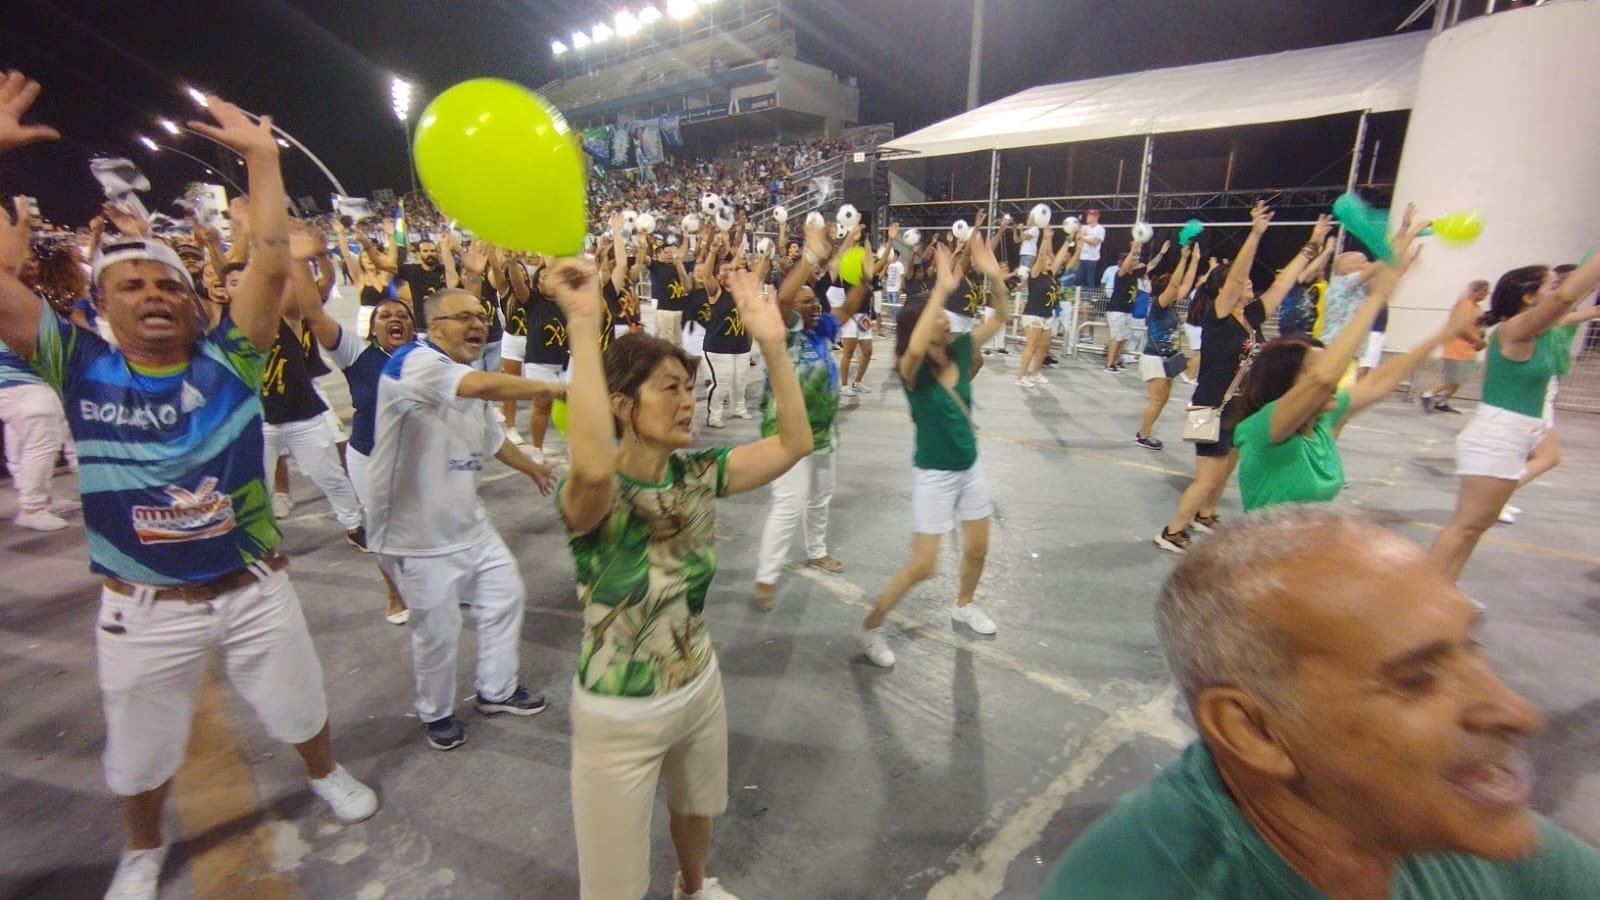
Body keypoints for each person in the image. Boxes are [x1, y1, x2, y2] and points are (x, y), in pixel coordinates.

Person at [0, 76, 377, 900]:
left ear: (195, 302)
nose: (153, 294)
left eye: (168, 283)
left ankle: (323, 775)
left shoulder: (231, 358)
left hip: (254, 587)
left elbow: (273, 263)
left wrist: (266, 166)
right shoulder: (76, 365)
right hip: (142, 607)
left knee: (300, 702)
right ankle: (141, 849)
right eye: (130, 285)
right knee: (137, 749)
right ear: (98, 306)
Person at [1040, 507, 1600, 898]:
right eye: (1417, 680)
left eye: (1471, 646)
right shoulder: (1133, 884)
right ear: (1252, 731)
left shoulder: (1422, 816)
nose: (1519, 712)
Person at [557, 255, 811, 900]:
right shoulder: (596, 494)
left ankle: (693, 887)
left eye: (687, 386)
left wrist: (773, 342)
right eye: (668, 387)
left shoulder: (698, 473)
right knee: (611, 886)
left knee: (698, 807)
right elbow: (589, 464)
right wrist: (585, 329)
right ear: (622, 403)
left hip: (698, 682)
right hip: (619, 710)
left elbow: (793, 444)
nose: (685, 399)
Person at [366, 287, 562, 751]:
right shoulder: (413, 363)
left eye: (481, 316)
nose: (477, 325)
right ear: (434, 327)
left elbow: (493, 436)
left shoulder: (465, 373)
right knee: (437, 633)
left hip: (467, 523)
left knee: (505, 595)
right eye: (463, 317)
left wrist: (532, 466)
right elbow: (482, 388)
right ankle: (436, 714)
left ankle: (496, 691)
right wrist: (552, 385)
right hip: (417, 534)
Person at [1228, 219, 1467, 512]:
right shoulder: (1264, 428)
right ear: (1285, 382)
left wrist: (1443, 334)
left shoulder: (1322, 419)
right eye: (1314, 370)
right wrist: (1379, 295)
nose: (1333, 375)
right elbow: (1323, 381)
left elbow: (1378, 382)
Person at [860, 235, 1011, 668]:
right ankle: (871, 625)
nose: (948, 320)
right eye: (940, 317)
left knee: (978, 548)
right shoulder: (913, 374)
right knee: (923, 566)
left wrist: (995, 278)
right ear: (922, 328)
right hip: (935, 476)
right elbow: (911, 349)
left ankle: (963, 605)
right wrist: (940, 288)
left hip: (970, 467)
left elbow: (1001, 315)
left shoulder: (962, 351)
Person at [1429, 253, 1600, 583]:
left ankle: (1443, 593)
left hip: (1517, 434)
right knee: (1465, 526)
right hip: (1498, 437)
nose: (1561, 289)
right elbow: (1567, 297)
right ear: (1529, 297)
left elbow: (1571, 300)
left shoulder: (1540, 332)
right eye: (1552, 284)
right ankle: (1415, 604)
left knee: (1478, 524)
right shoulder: (1515, 329)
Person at [1155, 204, 1309, 554]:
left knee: (1226, 470)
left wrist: (1310, 249)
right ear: (1226, 289)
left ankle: (1205, 516)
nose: (1250, 284)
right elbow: (1238, 277)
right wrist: (1255, 234)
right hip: (1210, 406)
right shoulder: (1218, 315)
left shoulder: (1252, 315)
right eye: (1243, 282)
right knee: (1207, 477)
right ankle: (1172, 532)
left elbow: (1283, 284)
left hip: (1241, 407)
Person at [753, 219, 872, 610]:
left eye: (814, 300)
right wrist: (810, 259)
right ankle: (766, 577)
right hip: (784, 433)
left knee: (821, 496)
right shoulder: (780, 331)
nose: (812, 305)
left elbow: (850, 307)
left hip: (822, 431)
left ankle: (816, 550)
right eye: (807, 301)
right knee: (789, 503)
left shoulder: (820, 330)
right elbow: (785, 299)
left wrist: (863, 279)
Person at [298, 263, 416, 625]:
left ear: (413, 326)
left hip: (417, 459)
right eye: (385, 316)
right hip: (370, 458)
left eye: (402, 315)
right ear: (373, 327)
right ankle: (395, 592)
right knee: (382, 528)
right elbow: (314, 313)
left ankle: (438, 584)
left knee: (427, 523)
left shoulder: (427, 355)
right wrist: (301, 261)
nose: (394, 319)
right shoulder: (356, 354)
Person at [1133, 242, 1202, 449]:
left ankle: (1145, 432)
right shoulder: (1158, 305)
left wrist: (1195, 261)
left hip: (1168, 358)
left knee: (1163, 400)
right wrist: (1182, 258)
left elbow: (1185, 284)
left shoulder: (1169, 305)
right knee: (1157, 400)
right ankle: (1143, 435)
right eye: (1173, 285)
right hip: (1154, 358)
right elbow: (1175, 286)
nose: (1178, 288)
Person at [1016, 226, 1080, 386]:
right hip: (1033, 314)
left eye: (1051, 262)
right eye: (1047, 261)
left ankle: (1035, 373)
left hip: (1047, 314)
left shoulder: (1051, 275)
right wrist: (1045, 238)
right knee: (1032, 346)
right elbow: (1041, 256)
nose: (1051, 262)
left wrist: (1070, 237)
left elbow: (1059, 257)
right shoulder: (1035, 274)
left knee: (1044, 347)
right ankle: (1021, 377)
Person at [1420, 279, 1491, 414]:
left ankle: (1443, 401)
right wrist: (1477, 340)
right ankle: (1428, 394)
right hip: (1456, 348)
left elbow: (1477, 327)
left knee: (1462, 378)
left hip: (1469, 350)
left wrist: (1481, 337)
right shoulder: (1464, 305)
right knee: (1453, 378)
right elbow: (1460, 327)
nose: (1486, 295)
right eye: (1484, 292)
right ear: (1474, 291)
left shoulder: (1477, 308)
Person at [1102, 237, 1157, 373]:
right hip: (1117, 310)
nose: (1135, 262)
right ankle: (1109, 364)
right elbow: (1126, 265)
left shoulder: (1135, 275)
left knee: (1124, 337)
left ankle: (1116, 361)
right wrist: (1133, 250)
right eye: (1133, 260)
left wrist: (1161, 253)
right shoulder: (1120, 274)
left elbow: (1150, 266)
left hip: (1127, 310)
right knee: (1117, 337)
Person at [1074, 208, 1106, 290]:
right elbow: (1077, 238)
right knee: (1078, 278)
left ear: (1096, 217)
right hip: (1081, 256)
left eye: (1090, 216)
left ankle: (1089, 299)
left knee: (1090, 280)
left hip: (1092, 258)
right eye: (1087, 216)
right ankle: (1077, 297)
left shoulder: (1100, 229)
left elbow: (1095, 242)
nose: (1087, 217)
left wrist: (1083, 237)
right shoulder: (1084, 228)